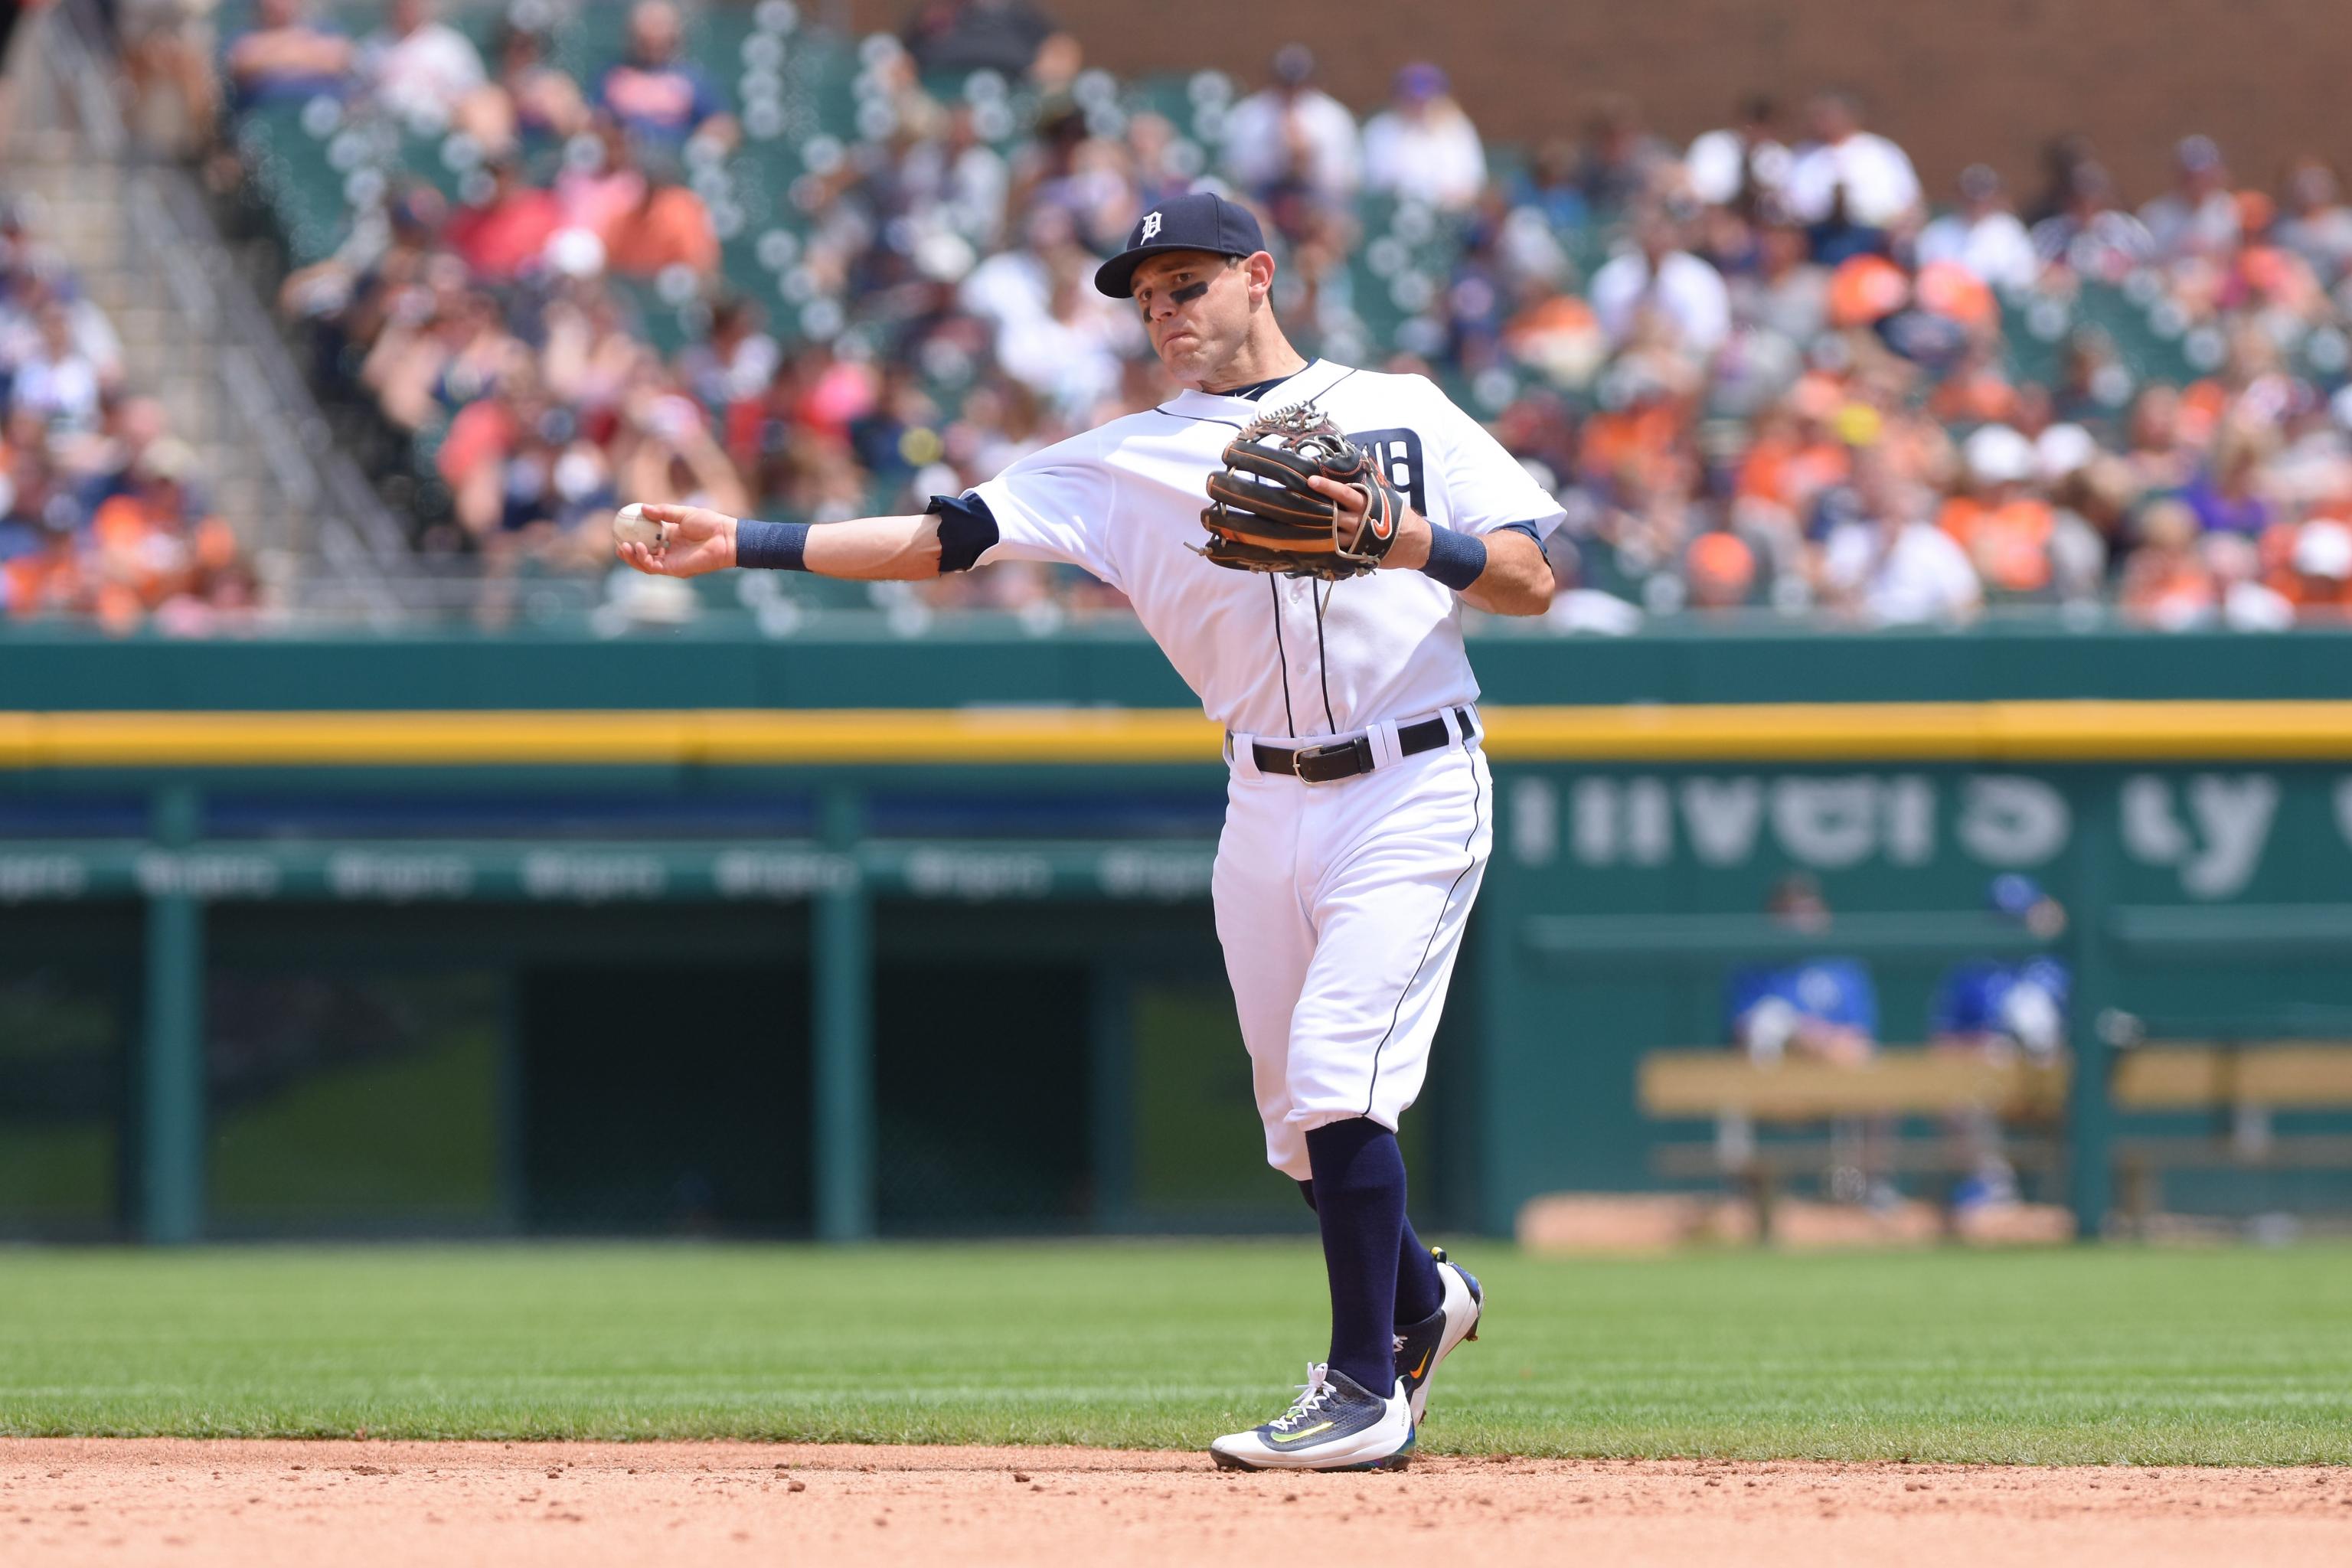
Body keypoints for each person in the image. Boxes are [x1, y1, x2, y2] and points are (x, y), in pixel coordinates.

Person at [619, 190, 1561, 1472]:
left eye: (1187, 282)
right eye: (1146, 294)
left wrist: (1401, 537)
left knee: (1341, 1074)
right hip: (1262, 792)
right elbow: (949, 537)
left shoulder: (1401, 407)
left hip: (1411, 782)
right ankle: (1416, 1301)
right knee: (1297, 1123)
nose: (1164, 310)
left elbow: (1530, 579)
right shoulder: (1123, 458)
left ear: (1258, 276)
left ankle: (1361, 1390)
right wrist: (745, 542)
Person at [1220, 45, 1361, 214]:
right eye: (1286, 83)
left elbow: (1349, 178)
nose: (1292, 91)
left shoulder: (1334, 117)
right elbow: (1234, 171)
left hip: (1318, 199)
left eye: (1299, 84)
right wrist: (1278, 154)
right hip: (1264, 198)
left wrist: (1307, 159)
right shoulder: (1249, 115)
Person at [596, 0, 733, 154]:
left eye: (659, 28)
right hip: (625, 162)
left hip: (673, 163)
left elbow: (722, 124)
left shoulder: (691, 79)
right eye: (646, 35)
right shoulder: (613, 75)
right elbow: (592, 117)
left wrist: (710, 139)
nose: (654, 35)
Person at [1361, 63, 1486, 214]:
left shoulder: (1457, 128)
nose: (1420, 106)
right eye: (1411, 99)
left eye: (1426, 99)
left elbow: (1473, 185)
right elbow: (1376, 185)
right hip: (1393, 215)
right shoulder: (1380, 129)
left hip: (1451, 217)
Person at [358, 0, 485, 129]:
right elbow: (359, 98)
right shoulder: (371, 48)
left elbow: (474, 98)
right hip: (385, 128)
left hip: (437, 126)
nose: (406, 9)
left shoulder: (451, 46)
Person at [1916, 165, 2038, 292]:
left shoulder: (2009, 230)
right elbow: (1927, 280)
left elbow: (2024, 276)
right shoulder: (1937, 232)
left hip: (2000, 305)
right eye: (1971, 198)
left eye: (1984, 198)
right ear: (1958, 196)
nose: (1977, 205)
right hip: (1948, 303)